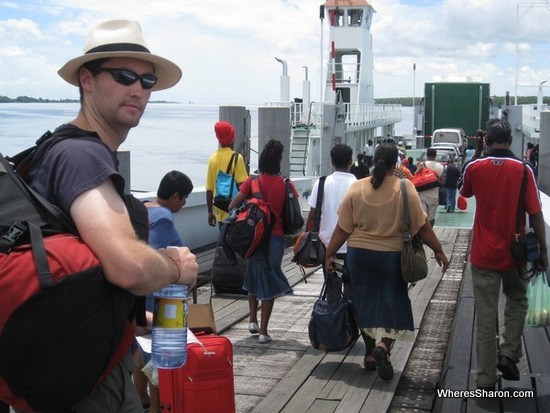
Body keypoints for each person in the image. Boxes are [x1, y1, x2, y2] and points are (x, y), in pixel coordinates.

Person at [22, 20, 198, 412]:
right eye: (123, 76)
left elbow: (82, 273)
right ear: (87, 79)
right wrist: (176, 268)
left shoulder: (61, 149)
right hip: (85, 389)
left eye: (147, 80)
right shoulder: (82, 157)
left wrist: (136, 320)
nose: (137, 89)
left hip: (83, 366)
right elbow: (128, 267)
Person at [324, 143, 449, 381]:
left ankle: (370, 353)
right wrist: (439, 250)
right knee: (396, 304)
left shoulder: (356, 188)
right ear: (396, 164)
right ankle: (383, 346)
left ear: (374, 162)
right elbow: (421, 227)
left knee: (364, 304)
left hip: (359, 255)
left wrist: (329, 254)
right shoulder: (405, 188)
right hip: (392, 257)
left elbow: (342, 228)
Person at [460, 118, 548, 391]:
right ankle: (509, 353)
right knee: (518, 300)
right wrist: (543, 252)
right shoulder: (523, 170)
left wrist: (477, 153)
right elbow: (535, 213)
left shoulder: (475, 166)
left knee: (486, 315)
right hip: (516, 252)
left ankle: (485, 378)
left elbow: (466, 191)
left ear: (486, 141)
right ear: (511, 141)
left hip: (483, 255)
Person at [133, 170, 194, 413]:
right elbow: (154, 254)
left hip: (140, 292)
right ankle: (158, 404)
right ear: (175, 196)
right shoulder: (164, 217)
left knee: (141, 348)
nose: (184, 203)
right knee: (159, 355)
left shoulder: (144, 207)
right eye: (185, 198)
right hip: (157, 295)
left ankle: (141, 398)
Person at [228, 139, 295, 344]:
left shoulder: (253, 182)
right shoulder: (286, 184)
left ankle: (252, 320)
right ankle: (264, 331)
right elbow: (292, 212)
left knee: (254, 274)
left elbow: (233, 204)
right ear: (279, 162)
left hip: (254, 237)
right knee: (269, 277)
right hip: (275, 238)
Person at [306, 144, 357, 295]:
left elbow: (312, 215)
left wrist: (307, 239)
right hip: (352, 247)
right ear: (350, 162)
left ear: (332, 162)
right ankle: (349, 318)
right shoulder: (357, 185)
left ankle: (334, 317)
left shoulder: (321, 183)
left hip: (329, 248)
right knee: (350, 290)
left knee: (333, 290)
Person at [206, 121, 248, 228]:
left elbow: (209, 190)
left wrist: (210, 212)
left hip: (220, 208)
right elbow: (243, 187)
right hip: (235, 210)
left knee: (224, 240)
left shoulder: (212, 159)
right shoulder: (237, 158)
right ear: (233, 138)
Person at [415, 148, 444, 227]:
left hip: (422, 195)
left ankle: (424, 234)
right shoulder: (441, 167)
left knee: (423, 216)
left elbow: (415, 176)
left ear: (427, 155)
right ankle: (430, 232)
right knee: (432, 217)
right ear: (435, 156)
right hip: (434, 196)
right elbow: (442, 182)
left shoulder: (421, 165)